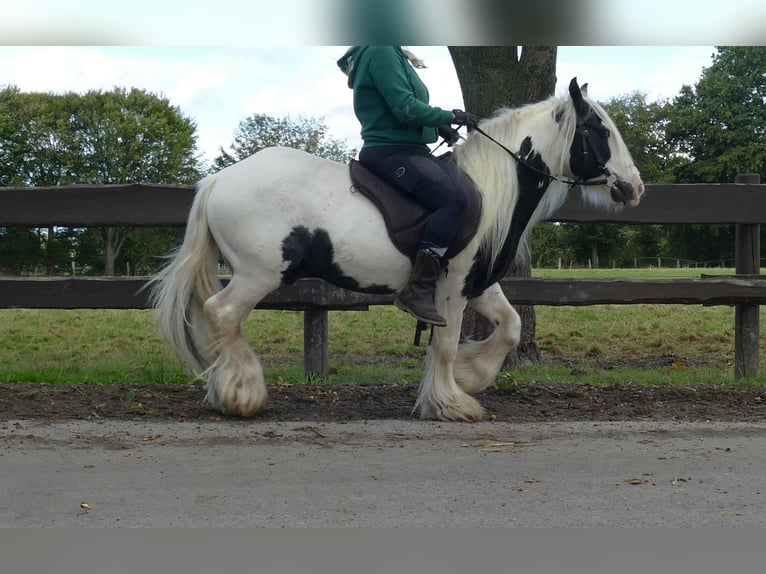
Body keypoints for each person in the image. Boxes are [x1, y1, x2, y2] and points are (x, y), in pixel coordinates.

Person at [337, 46, 479, 327]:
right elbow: (404, 108)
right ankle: (418, 289)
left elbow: (400, 108)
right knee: (453, 201)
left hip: (408, 148)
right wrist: (449, 116)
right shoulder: (382, 52)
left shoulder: (391, 52)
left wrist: (438, 128)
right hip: (392, 152)